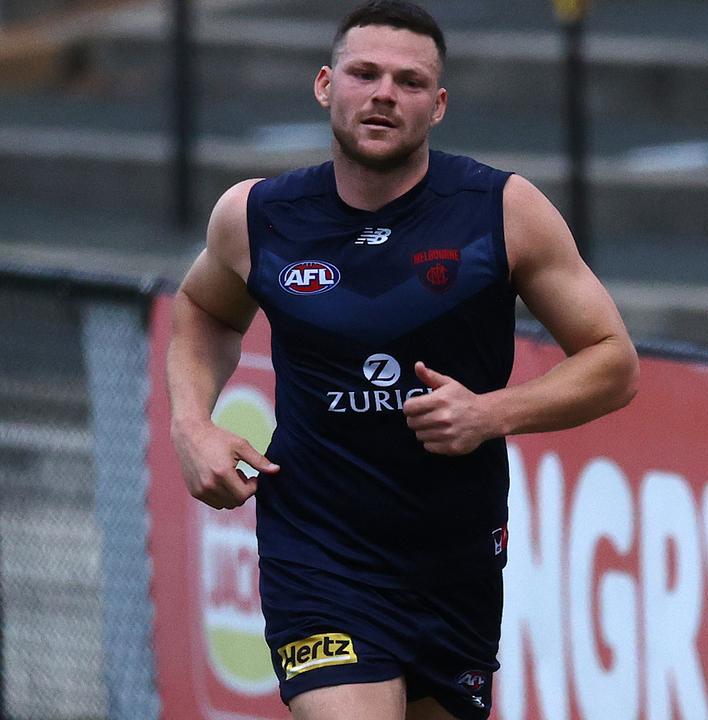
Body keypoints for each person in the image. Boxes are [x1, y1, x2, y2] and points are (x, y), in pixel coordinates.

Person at [166, 2, 638, 718]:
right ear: (326, 85)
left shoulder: (501, 210)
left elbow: (613, 361)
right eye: (365, 73)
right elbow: (202, 311)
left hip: (453, 557)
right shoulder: (257, 216)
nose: (384, 93)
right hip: (318, 549)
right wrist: (191, 423)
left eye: (410, 81)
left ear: (439, 104)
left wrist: (487, 413)